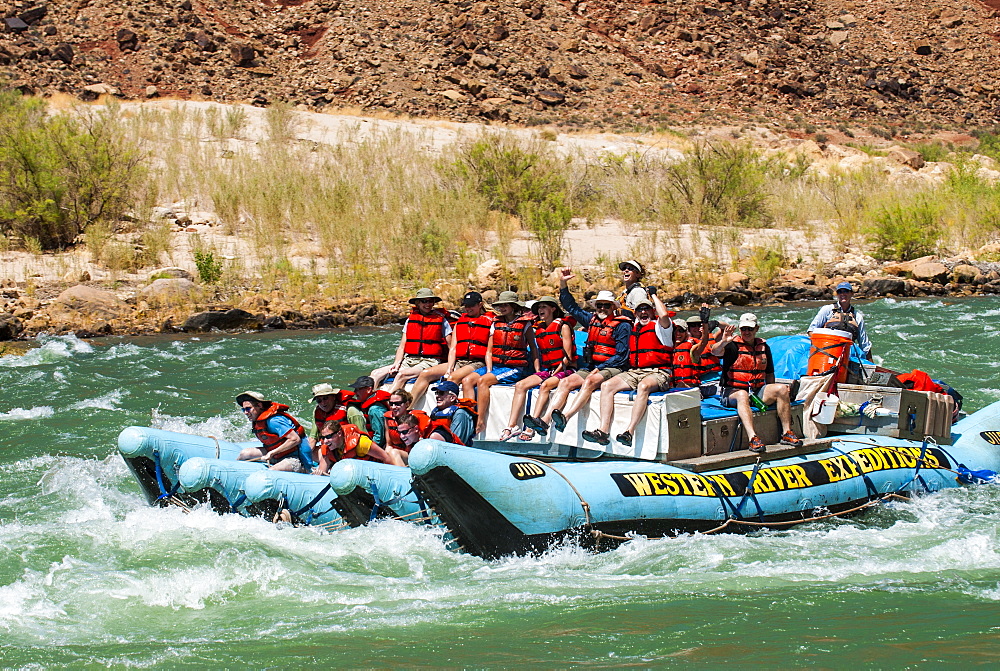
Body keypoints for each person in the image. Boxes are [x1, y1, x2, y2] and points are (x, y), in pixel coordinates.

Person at [523, 268, 630, 435]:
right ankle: (544, 421)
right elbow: (571, 307)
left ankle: (566, 416)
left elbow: (621, 356)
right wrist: (563, 284)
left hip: (613, 367)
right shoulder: (591, 320)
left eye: (606, 306)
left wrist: (600, 368)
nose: (602, 308)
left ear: (612, 308)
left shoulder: (622, 326)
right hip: (592, 366)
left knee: (589, 381)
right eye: (599, 305)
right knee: (565, 383)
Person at [582, 293, 675, 447]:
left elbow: (664, 314)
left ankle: (629, 432)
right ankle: (603, 431)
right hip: (636, 371)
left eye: (647, 309)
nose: (643, 312)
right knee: (606, 386)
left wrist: (653, 294)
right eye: (640, 310)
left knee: (643, 387)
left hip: (659, 372)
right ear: (636, 313)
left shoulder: (661, 329)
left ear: (653, 312)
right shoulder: (634, 328)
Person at [711, 313, 803, 453]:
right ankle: (752, 438)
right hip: (732, 393)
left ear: (756, 329)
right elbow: (715, 351)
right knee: (742, 395)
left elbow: (770, 374)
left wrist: (773, 393)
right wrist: (724, 341)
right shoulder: (732, 345)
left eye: (750, 329)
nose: (746, 332)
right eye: (743, 329)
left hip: (756, 392)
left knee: (782, 389)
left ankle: (787, 433)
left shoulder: (764, 347)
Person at [500, 295, 575, 441]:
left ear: (553, 309)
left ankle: (533, 424)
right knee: (521, 385)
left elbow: (568, 356)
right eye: (539, 308)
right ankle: (512, 425)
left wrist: (557, 371)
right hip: (547, 369)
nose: (540, 310)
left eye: (544, 307)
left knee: (545, 385)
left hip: (565, 369)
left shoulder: (563, 326)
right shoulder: (538, 329)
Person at [462, 290, 537, 435]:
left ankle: (480, 421)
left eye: (505, 305)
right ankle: (469, 416)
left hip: (515, 368)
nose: (502, 308)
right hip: (496, 365)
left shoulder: (525, 325)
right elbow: (489, 351)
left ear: (514, 306)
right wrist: (489, 369)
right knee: (467, 380)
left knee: (483, 381)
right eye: (500, 305)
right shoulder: (496, 323)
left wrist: (536, 371)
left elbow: (533, 349)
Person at [409, 291, 494, 404]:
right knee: (425, 373)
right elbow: (453, 348)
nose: (468, 308)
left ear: (480, 304)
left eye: (472, 305)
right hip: (460, 361)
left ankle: (450, 412)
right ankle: (408, 409)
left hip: (477, 362)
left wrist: (489, 370)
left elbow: (489, 351)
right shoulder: (459, 323)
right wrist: (449, 368)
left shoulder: (490, 322)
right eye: (466, 306)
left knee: (453, 377)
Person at [370, 288, 454, 391]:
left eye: (430, 301)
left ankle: (386, 402)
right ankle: (367, 403)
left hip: (430, 361)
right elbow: (402, 346)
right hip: (409, 359)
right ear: (417, 303)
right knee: (376, 373)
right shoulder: (410, 320)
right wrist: (397, 363)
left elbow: (451, 347)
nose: (428, 304)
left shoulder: (441, 320)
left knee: (401, 375)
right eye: (424, 301)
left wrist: (450, 368)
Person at [236, 391, 312, 472]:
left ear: (259, 405)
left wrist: (272, 453)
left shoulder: (274, 421)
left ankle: (304, 470)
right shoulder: (258, 419)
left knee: (272, 471)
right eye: (243, 409)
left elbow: (295, 439)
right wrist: (272, 453)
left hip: (294, 458)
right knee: (244, 453)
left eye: (248, 408)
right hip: (276, 454)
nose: (245, 412)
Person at [807, 281, 873, 361]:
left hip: (847, 354)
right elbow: (811, 331)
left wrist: (872, 365)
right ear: (837, 294)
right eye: (840, 292)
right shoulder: (827, 310)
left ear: (851, 293)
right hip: (826, 351)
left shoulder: (857, 317)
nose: (843, 294)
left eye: (846, 291)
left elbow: (864, 345)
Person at [313, 420, 397, 475]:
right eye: (323, 438)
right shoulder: (328, 448)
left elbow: (386, 458)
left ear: (339, 433)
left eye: (329, 436)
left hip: (374, 473)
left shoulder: (361, 443)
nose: (325, 441)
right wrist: (320, 474)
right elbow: (322, 471)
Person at [393, 411, 462, 465]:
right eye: (399, 432)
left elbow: (442, 461)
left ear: (416, 428)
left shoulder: (434, 437)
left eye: (405, 432)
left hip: (457, 463)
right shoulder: (413, 438)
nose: (401, 436)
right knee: (393, 452)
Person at [344, 375, 391, 447]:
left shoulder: (374, 410)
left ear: (369, 389)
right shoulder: (369, 404)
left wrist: (370, 449)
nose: (355, 392)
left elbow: (380, 437)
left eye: (358, 389)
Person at [427, 380, 478, 445]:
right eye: (437, 393)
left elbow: (458, 441)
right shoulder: (436, 411)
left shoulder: (460, 413)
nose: (437, 396)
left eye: (441, 393)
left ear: (452, 398)